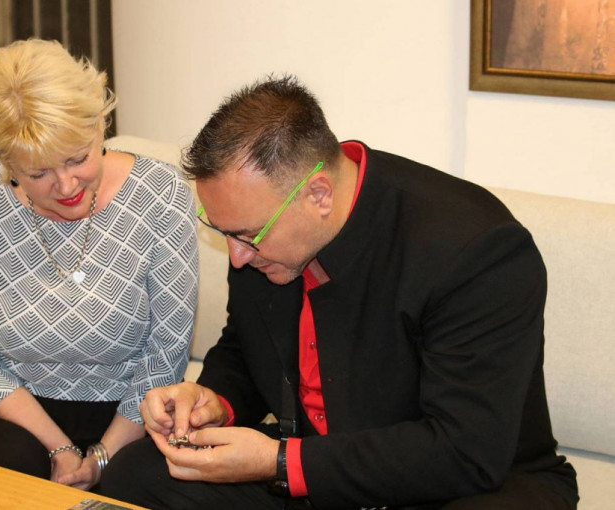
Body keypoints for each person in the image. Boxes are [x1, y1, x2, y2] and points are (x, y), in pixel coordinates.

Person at [98, 75, 578, 509]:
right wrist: (214, 401)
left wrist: (279, 462)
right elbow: (247, 348)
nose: (237, 256)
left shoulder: (474, 249)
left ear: (319, 195)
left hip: (462, 483)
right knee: (137, 473)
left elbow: (466, 451)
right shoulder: (259, 232)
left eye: (246, 235)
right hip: (313, 466)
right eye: (224, 233)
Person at [0, 39, 198, 491]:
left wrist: (102, 456)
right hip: (13, 411)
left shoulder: (161, 194)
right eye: (38, 173)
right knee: (21, 477)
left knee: (135, 482)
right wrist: (60, 448)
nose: (67, 185)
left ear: (100, 125)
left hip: (130, 409)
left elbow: (166, 351)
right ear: (4, 161)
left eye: (78, 158)